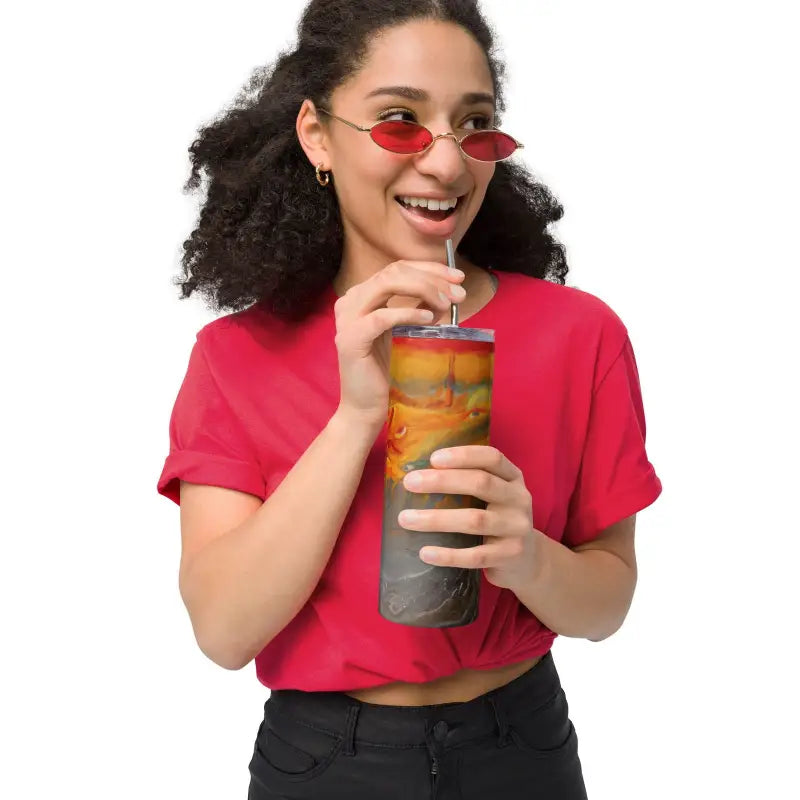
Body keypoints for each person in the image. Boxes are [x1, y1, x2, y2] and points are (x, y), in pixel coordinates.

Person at [156, 1, 663, 797]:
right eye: (400, 121)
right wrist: (359, 413)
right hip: (324, 758)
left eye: (475, 125)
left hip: (521, 744)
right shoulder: (235, 356)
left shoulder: (580, 335)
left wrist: (528, 557)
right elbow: (223, 631)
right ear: (318, 135)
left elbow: (608, 604)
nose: (448, 165)